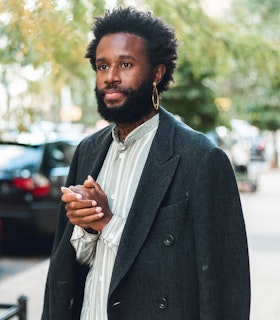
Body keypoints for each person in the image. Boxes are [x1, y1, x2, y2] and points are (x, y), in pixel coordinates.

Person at [42, 7, 250, 320]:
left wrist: (108, 223)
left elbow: (223, 286)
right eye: (102, 66)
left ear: (157, 72)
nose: (111, 76)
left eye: (125, 64)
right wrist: (87, 228)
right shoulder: (88, 150)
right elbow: (68, 267)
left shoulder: (201, 159)